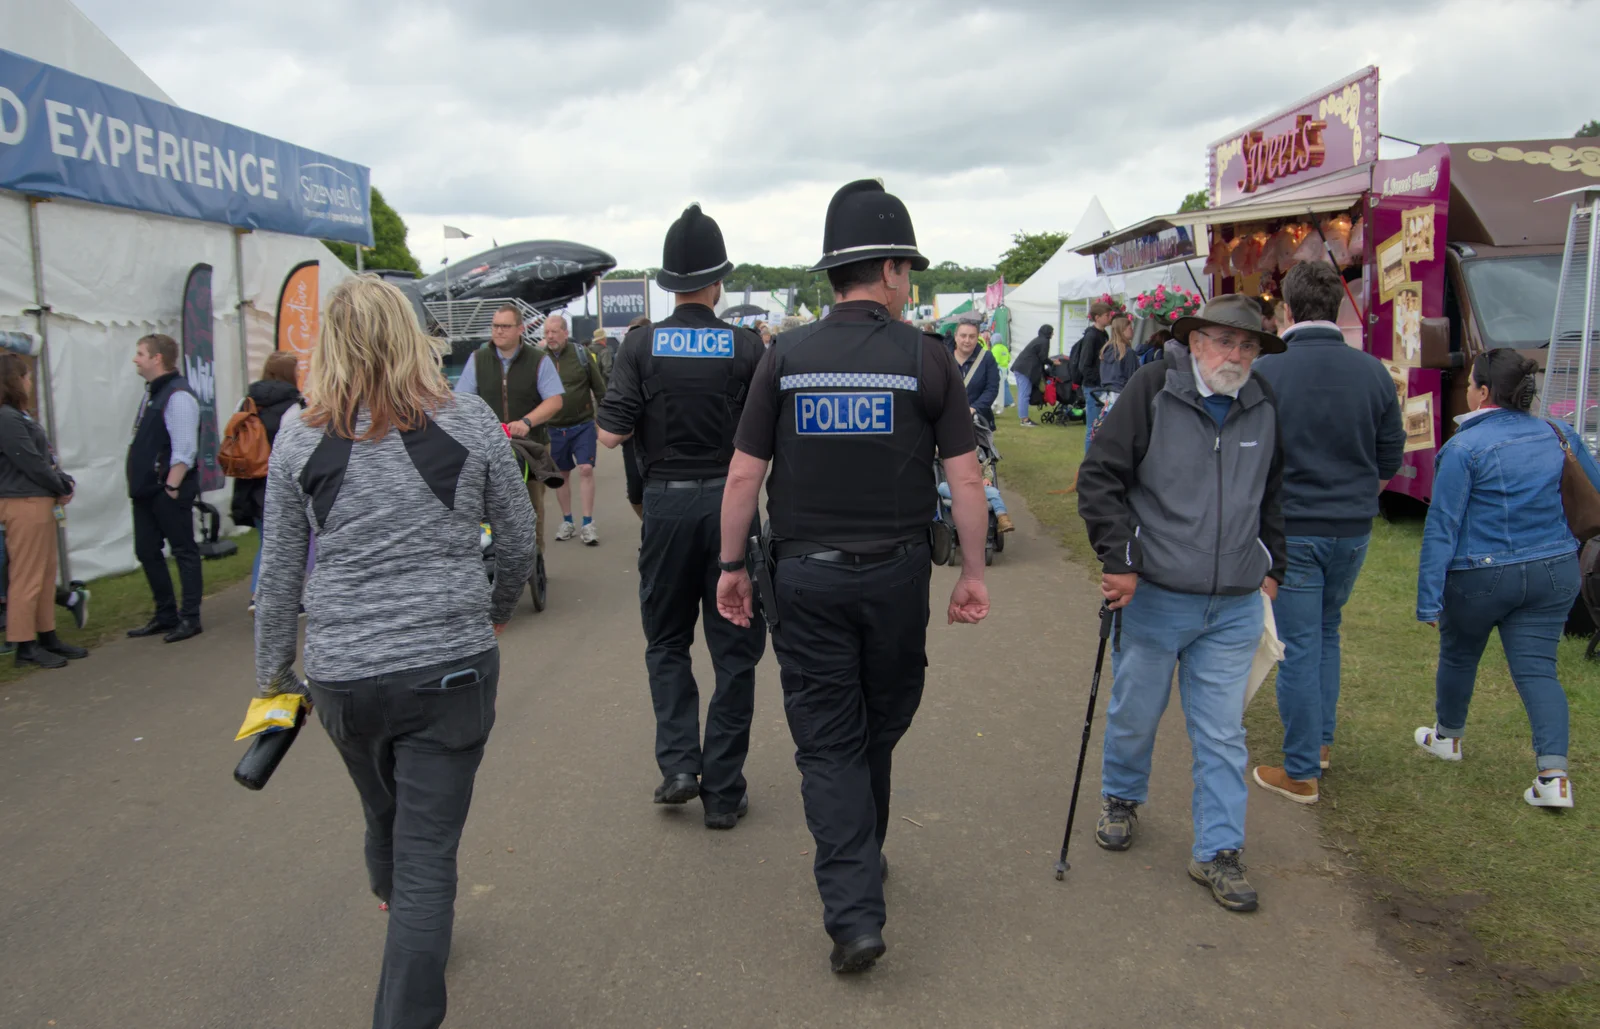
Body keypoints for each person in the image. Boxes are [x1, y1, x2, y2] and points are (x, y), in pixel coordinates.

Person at [716, 179, 991, 973]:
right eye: (909, 268)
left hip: (806, 580)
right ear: (892, 270)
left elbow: (743, 477)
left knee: (833, 737)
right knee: (877, 718)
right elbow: (966, 481)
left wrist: (732, 564)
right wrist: (971, 571)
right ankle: (855, 904)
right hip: (899, 577)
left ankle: (855, 884)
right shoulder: (927, 358)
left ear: (835, 273)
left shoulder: (786, 357)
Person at [255, 276, 534, 1029]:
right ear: (414, 336)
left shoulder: (299, 435)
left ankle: (396, 895)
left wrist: (273, 676)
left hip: (345, 674)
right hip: (449, 666)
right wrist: (495, 610)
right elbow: (517, 541)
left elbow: (279, 570)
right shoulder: (469, 419)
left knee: (385, 810)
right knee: (426, 859)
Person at [1076, 294, 1287, 913]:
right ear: (1195, 343)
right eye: (1224, 342)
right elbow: (1099, 478)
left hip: (1235, 604)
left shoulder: (1264, 402)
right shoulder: (1152, 389)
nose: (1236, 356)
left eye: (1248, 346)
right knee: (1137, 711)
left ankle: (1219, 851)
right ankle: (1121, 796)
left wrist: (1273, 566)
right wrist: (1119, 560)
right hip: (1157, 595)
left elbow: (1274, 492)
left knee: (1223, 734)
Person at [596, 204, 768, 828]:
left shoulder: (639, 345)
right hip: (732, 503)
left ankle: (677, 765)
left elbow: (610, 437)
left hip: (665, 507)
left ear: (668, 283)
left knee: (666, 640)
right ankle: (723, 792)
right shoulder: (747, 347)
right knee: (736, 649)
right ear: (718, 282)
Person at [1414, 349, 1600, 808]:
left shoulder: (1461, 447)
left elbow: (1443, 527)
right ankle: (1554, 777)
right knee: (1539, 669)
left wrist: (1427, 598)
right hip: (1554, 571)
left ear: (1481, 391)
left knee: (1459, 656)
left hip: (1480, 576)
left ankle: (1448, 736)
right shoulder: (1561, 434)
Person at [1249, 261, 1404, 803]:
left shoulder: (1268, 371)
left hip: (1293, 530)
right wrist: (1356, 497)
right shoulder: (1374, 372)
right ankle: (1318, 747)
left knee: (1297, 644)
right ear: (1339, 307)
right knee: (1326, 632)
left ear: (1287, 309)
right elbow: (1390, 458)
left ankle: (1300, 770)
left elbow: (1251, 458)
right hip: (1352, 527)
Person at [455, 304, 566, 556]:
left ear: (520, 329)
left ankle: (534, 557)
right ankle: (494, 556)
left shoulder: (539, 360)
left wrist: (527, 422)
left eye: (505, 326)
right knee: (487, 506)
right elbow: (462, 401)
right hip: (489, 446)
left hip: (530, 447)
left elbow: (555, 400)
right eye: (495, 326)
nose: (499, 331)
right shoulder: (478, 359)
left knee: (530, 506)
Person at [0, 354, 86, 669]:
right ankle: (24, 644)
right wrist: (60, 485)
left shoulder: (19, 416)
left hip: (38, 501)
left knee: (46, 573)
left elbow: (41, 458)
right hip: (23, 503)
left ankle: (46, 634)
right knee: (27, 576)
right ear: (16, 380)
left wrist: (61, 481)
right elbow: (31, 462)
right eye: (26, 376)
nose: (30, 382)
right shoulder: (7, 418)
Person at [125, 333, 203, 643]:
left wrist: (171, 486)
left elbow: (185, 448)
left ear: (157, 359)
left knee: (184, 549)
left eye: (140, 353)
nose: (136, 358)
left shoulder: (178, 396)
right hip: (146, 489)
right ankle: (166, 613)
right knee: (146, 550)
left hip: (165, 489)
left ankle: (190, 617)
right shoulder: (153, 393)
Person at [232, 351, 305, 609]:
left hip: (249, 479)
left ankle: (262, 595)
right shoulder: (293, 406)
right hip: (278, 479)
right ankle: (263, 596)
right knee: (285, 542)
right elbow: (295, 446)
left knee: (267, 539)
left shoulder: (245, 402)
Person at [542, 313, 608, 545]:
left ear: (565, 332)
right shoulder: (539, 359)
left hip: (583, 424)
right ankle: (567, 521)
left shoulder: (581, 355)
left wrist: (604, 420)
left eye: (554, 332)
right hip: (554, 428)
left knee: (586, 469)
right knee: (561, 475)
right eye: (546, 333)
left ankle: (588, 523)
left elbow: (599, 388)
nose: (550, 336)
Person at [619, 314, 651, 521]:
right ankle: (648, 526)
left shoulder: (660, 360)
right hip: (631, 436)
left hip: (658, 435)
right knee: (635, 493)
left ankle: (653, 534)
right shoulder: (622, 361)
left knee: (656, 489)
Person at [1069, 301, 1115, 434]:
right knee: (1093, 426)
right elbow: (1084, 364)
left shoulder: (1104, 335)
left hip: (1101, 385)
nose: (1109, 318)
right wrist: (1096, 379)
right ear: (1097, 317)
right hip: (1093, 386)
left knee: (1101, 425)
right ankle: (1089, 454)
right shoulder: (1091, 336)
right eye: (1107, 315)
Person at [949, 321, 999, 429]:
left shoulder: (987, 358)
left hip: (977, 421)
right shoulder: (944, 357)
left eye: (972, 336)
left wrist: (974, 408)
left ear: (977, 338)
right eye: (963, 336)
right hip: (948, 420)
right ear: (956, 336)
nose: (967, 340)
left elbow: (992, 389)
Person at [1009, 324, 1055, 427]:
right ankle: (1024, 420)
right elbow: (1043, 358)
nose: (1053, 334)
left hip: (1020, 368)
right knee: (1024, 394)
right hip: (1024, 370)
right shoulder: (1045, 341)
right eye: (1052, 332)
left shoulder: (1039, 339)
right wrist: (1052, 363)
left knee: (1023, 394)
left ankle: (1023, 418)